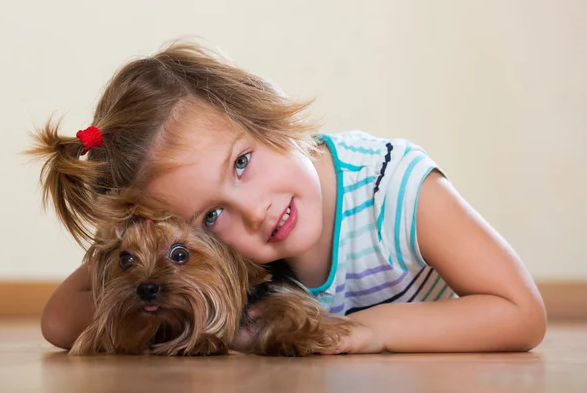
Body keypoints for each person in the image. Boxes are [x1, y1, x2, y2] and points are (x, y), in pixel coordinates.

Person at [29, 39, 546, 354]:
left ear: (266, 112)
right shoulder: (219, 247)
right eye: (211, 214)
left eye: (243, 163)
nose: (254, 211)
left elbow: (521, 313)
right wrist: (129, 241)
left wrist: (371, 331)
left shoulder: (397, 185)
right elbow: (58, 319)